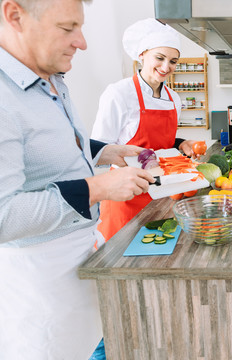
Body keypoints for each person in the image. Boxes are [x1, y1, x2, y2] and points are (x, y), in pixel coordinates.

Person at [0, 0, 156, 358]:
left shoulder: (50, 78)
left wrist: (107, 151)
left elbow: (51, 144)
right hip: (38, 281)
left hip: (80, 254)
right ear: (15, 16)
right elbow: (3, 216)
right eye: (68, 28)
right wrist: (98, 187)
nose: (82, 42)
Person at [92, 18, 200, 241]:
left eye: (173, 61)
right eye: (159, 58)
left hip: (163, 193)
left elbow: (162, 144)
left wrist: (181, 143)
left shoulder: (174, 98)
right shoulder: (119, 93)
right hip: (126, 194)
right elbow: (97, 151)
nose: (165, 67)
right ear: (142, 54)